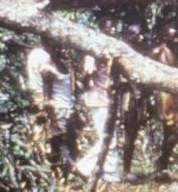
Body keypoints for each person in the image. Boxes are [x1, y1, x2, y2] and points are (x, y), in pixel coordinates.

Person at [26, 37, 84, 179]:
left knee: (70, 144)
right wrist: (53, 122)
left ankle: (66, 175)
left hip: (66, 108)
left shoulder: (58, 61)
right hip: (58, 110)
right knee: (59, 144)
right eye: (54, 43)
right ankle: (61, 175)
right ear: (46, 44)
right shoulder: (47, 68)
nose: (59, 46)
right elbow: (47, 98)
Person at [76, 18, 120, 182]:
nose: (113, 29)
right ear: (102, 29)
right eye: (110, 26)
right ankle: (85, 167)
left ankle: (110, 173)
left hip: (106, 98)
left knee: (110, 136)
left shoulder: (111, 50)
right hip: (97, 98)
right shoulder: (93, 50)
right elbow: (85, 77)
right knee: (108, 137)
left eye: (114, 26)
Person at [150, 24, 178, 180]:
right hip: (163, 96)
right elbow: (144, 70)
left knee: (169, 131)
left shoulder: (175, 52)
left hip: (173, 95)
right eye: (172, 36)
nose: (176, 39)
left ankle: (162, 168)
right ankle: (161, 162)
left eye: (177, 36)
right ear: (165, 37)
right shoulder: (157, 52)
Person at [120, 22, 149, 183]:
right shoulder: (123, 54)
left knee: (134, 133)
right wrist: (134, 90)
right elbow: (122, 79)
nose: (141, 37)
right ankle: (125, 170)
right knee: (129, 135)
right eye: (138, 35)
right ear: (130, 37)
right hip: (128, 99)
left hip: (139, 99)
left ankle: (127, 169)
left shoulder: (139, 54)